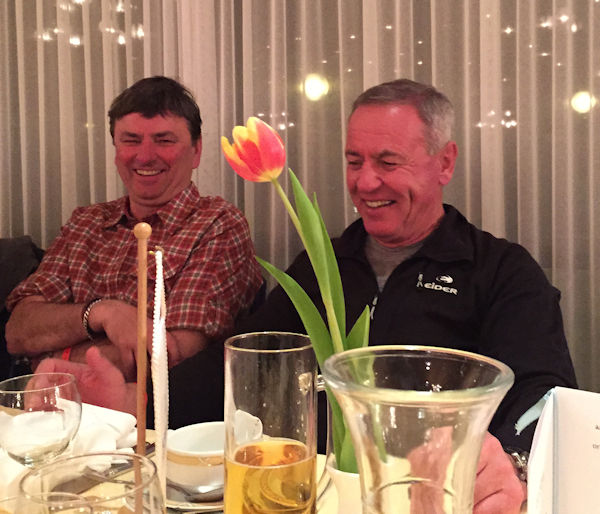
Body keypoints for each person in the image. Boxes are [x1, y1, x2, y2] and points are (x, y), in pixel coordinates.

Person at [37, 78, 577, 513]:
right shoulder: (322, 266)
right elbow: (242, 369)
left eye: (388, 162)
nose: (365, 183)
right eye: (354, 161)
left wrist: (512, 462)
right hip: (307, 494)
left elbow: (546, 397)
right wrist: (132, 400)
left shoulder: (501, 270)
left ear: (445, 162)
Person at [5, 76, 263, 384]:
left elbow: (170, 358)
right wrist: (102, 313)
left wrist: (47, 358)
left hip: (147, 412)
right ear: (116, 148)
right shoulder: (85, 222)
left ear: (196, 151)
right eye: (131, 140)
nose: (144, 156)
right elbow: (17, 333)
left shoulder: (217, 223)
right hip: (58, 406)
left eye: (164, 140)